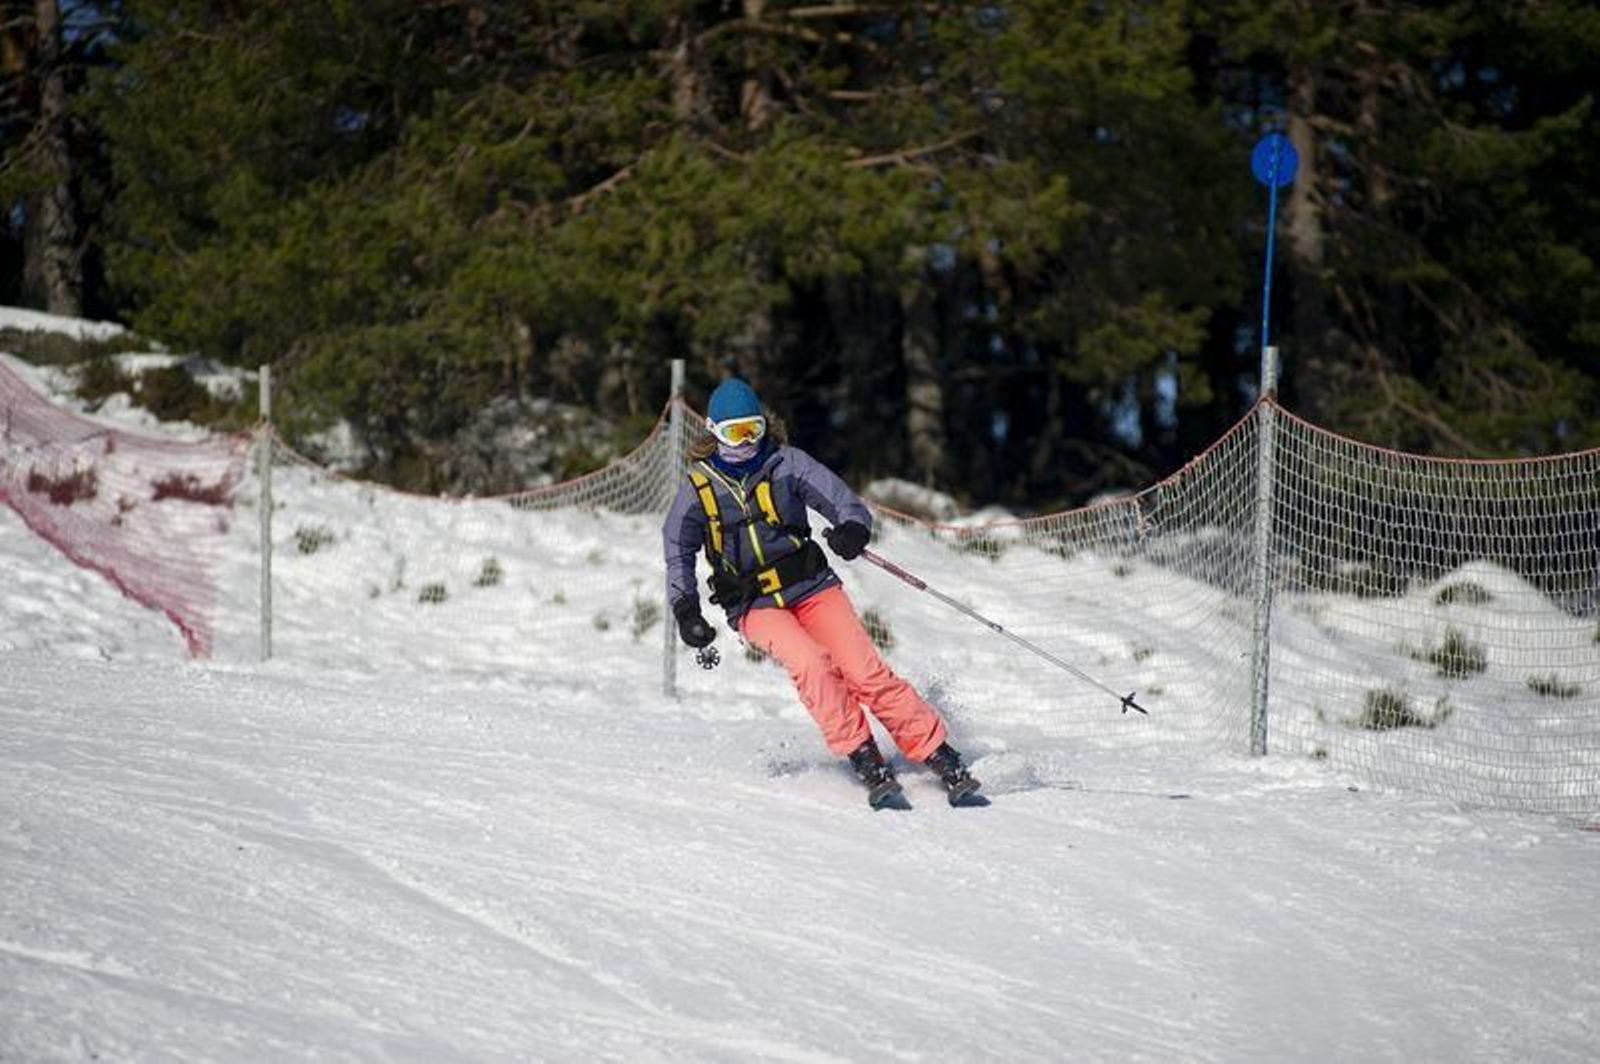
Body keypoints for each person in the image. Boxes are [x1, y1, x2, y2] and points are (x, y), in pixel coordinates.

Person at [662, 377, 979, 807]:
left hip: (812, 587)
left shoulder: (787, 463)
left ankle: (939, 755)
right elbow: (677, 550)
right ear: (714, 433)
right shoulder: (697, 490)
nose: (746, 442)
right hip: (754, 604)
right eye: (735, 432)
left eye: (753, 430)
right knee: (812, 665)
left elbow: (842, 501)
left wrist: (852, 528)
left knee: (864, 671)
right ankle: (865, 757)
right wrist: (686, 609)